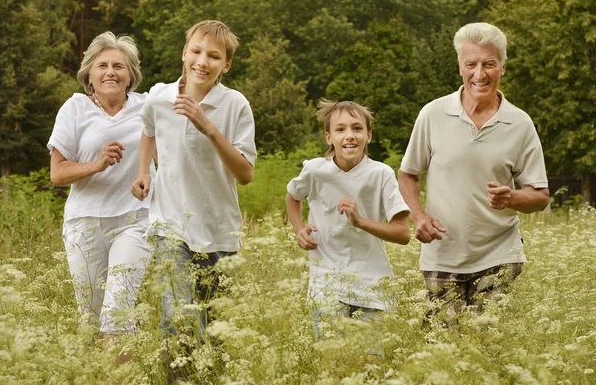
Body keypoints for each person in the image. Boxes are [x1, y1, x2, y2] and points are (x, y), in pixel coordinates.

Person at [398, 22, 549, 324]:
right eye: (472, 64)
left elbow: (540, 196)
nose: (480, 74)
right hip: (442, 256)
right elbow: (408, 175)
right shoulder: (433, 114)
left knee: (486, 351)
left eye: (489, 64)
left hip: (499, 255)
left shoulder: (519, 123)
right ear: (460, 67)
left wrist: (512, 197)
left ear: (502, 67)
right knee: (444, 354)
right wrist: (419, 216)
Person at [131, 20, 256, 347]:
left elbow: (245, 174)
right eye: (197, 52)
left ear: (225, 65)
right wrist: (144, 170)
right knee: (180, 318)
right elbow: (149, 130)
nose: (203, 61)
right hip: (170, 225)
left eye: (214, 56)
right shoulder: (159, 97)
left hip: (219, 230)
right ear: (185, 53)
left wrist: (208, 127)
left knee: (216, 333)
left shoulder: (235, 105)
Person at [48, 32, 155, 348]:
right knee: (91, 319)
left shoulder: (147, 106)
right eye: (103, 65)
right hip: (85, 224)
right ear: (90, 75)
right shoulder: (75, 108)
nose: (111, 72)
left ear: (130, 75)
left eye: (119, 66)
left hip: (136, 219)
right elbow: (57, 173)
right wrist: (97, 164)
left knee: (118, 310)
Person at [286, 100, 410, 336]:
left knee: (370, 363)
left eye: (357, 128)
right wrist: (299, 228)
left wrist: (360, 221)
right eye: (340, 129)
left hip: (371, 286)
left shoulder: (381, 174)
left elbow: (403, 234)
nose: (349, 135)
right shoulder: (314, 171)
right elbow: (292, 196)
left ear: (369, 135)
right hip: (327, 285)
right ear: (328, 137)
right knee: (332, 362)